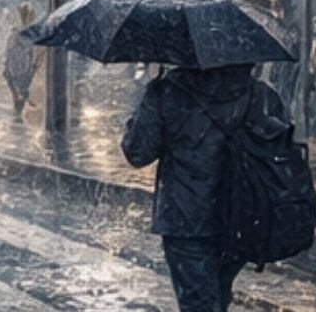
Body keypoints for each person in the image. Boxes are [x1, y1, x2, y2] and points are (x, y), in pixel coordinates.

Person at [122, 62, 289, 311]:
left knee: (198, 301)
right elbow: (280, 147)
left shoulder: (166, 91)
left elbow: (138, 152)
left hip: (185, 218)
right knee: (216, 294)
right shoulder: (260, 94)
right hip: (242, 216)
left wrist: (136, 119)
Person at [3, 4, 39, 121]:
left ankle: (18, 112)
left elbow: (9, 50)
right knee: (21, 87)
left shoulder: (16, 32)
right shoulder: (24, 32)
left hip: (17, 65)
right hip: (21, 65)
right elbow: (15, 49)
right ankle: (19, 110)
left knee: (18, 88)